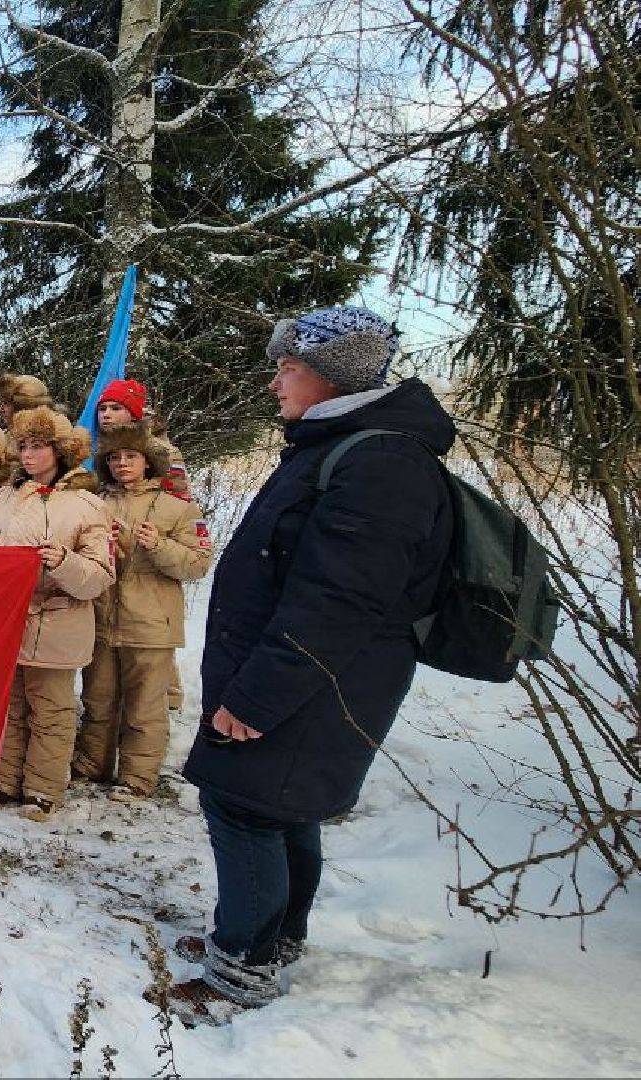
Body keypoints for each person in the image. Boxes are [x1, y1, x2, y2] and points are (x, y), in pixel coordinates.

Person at [169, 306, 454, 1024]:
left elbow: (337, 602)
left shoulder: (379, 462)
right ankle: (273, 939)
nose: (274, 382)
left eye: (286, 367)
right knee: (280, 810)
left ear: (331, 375)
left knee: (242, 810)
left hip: (308, 685)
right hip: (308, 681)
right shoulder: (341, 444)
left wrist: (256, 700)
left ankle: (240, 970)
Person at [0, 406, 115, 820]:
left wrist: (64, 562)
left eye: (39, 447)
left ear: (60, 450)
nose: (29, 456)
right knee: (11, 707)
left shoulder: (86, 506)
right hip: (7, 625)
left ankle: (43, 790)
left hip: (59, 621)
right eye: (24, 447)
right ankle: (5, 779)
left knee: (51, 711)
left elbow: (100, 576)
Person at [73, 423, 212, 803]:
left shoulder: (179, 507)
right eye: (114, 458)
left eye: (130, 456)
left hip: (150, 624)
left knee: (144, 709)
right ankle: (91, 763)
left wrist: (159, 546)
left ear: (149, 461)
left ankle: (136, 777)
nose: (122, 464)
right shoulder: (95, 502)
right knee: (98, 700)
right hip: (101, 620)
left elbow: (199, 564)